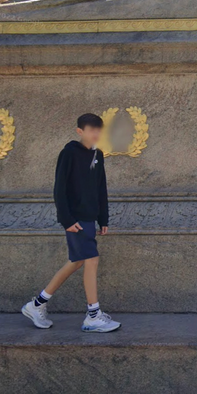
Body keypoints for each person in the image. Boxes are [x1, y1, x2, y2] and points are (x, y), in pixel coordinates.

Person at [21, 113, 121, 333]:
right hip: (75, 219)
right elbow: (59, 189)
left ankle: (36, 304)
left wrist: (103, 218)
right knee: (91, 259)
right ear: (80, 131)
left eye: (99, 130)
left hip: (89, 217)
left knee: (76, 262)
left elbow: (100, 187)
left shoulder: (98, 155)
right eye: (91, 129)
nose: (96, 134)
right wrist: (66, 220)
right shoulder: (69, 154)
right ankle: (93, 315)